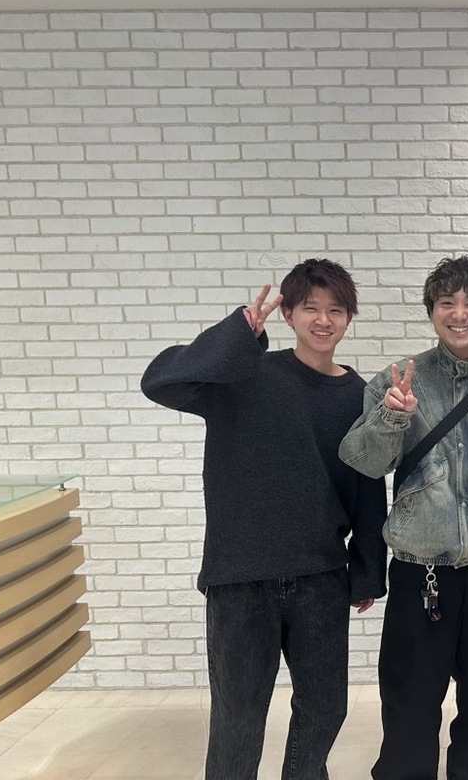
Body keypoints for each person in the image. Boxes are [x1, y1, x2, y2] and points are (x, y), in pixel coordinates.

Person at [141, 258, 387, 780]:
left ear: (349, 318)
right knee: (238, 719)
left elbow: (368, 484)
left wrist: (367, 569)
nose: (323, 320)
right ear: (289, 315)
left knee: (325, 708)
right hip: (240, 579)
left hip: (320, 577)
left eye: (336, 310)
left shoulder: (358, 395)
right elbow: (159, 380)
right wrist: (236, 335)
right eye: (310, 308)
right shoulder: (245, 373)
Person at [338, 255, 468, 780]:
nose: (459, 314)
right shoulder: (397, 380)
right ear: (432, 311)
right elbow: (363, 461)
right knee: (410, 697)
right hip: (421, 571)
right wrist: (392, 417)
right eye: (447, 303)